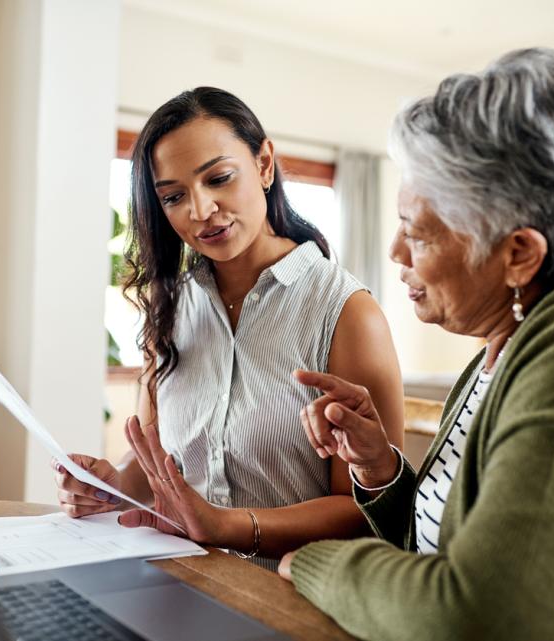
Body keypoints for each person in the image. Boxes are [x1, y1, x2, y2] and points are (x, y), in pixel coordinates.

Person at [278, 48, 554, 639]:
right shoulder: (510, 340)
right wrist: (380, 466)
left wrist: (313, 560)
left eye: (416, 231)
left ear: (518, 254)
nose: (395, 253)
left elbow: (481, 618)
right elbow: (444, 552)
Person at [53, 87, 404, 570]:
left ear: (264, 165)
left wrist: (226, 525)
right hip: (177, 583)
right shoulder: (170, 306)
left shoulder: (347, 313)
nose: (200, 211)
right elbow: (159, 462)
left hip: (288, 596)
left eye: (218, 178)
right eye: (174, 197)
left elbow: (369, 511)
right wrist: (110, 486)